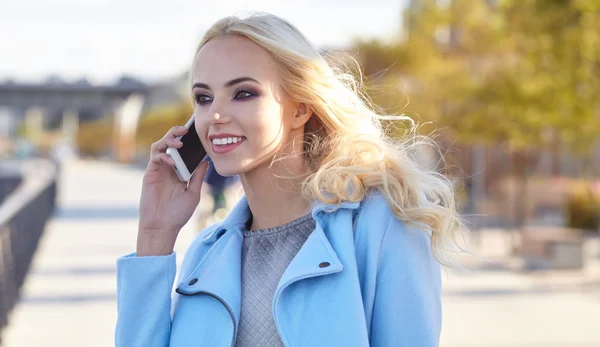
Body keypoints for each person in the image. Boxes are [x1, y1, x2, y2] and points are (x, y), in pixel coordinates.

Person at [115, 12, 462, 347]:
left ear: (299, 108)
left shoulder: (380, 225)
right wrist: (155, 235)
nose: (215, 115)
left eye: (243, 93)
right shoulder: (207, 253)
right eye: (203, 98)